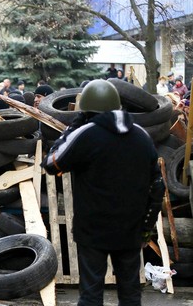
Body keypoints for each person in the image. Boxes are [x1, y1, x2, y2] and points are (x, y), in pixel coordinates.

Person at [42, 79, 163, 306]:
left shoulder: (86, 134)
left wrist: (72, 128)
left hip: (92, 231)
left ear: (86, 109)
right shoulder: (142, 136)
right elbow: (157, 187)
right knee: (130, 296)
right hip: (130, 230)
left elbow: (51, 162)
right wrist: (146, 230)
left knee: (90, 296)